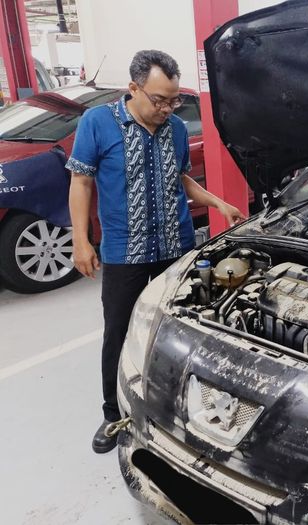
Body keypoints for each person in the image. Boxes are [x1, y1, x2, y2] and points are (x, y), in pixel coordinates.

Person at [67, 50, 244, 453]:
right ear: (133, 88)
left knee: (181, 329)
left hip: (175, 248)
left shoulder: (177, 128)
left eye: (174, 99)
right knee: (118, 331)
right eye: (160, 99)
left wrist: (217, 203)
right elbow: (81, 182)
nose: (167, 108)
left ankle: (176, 407)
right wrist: (80, 240)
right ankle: (113, 414)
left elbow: (181, 179)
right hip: (124, 251)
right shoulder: (97, 122)